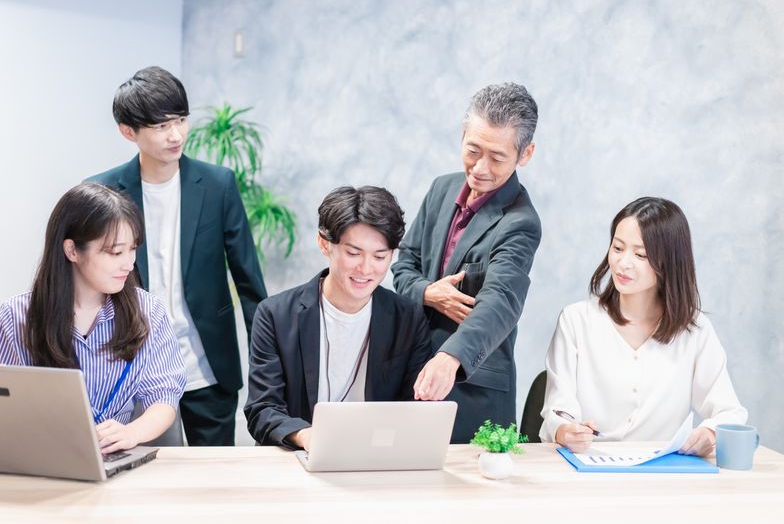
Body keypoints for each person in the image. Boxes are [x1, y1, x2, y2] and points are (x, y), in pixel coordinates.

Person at [87, 66, 267, 446]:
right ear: (128, 131)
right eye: (161, 126)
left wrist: (266, 363)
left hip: (207, 366)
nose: (176, 135)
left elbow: (248, 280)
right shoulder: (103, 192)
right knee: (143, 471)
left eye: (181, 120)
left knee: (213, 475)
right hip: (134, 368)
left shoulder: (218, 185)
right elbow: (88, 283)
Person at [392, 83, 541, 443]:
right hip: (411, 371)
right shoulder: (441, 189)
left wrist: (451, 357)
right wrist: (428, 292)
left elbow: (500, 301)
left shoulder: (521, 222)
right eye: (473, 150)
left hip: (473, 390)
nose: (480, 167)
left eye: (497, 158)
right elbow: (404, 265)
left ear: (526, 154)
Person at [539, 197, 748, 456]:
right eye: (618, 248)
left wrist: (709, 433)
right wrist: (565, 431)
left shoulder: (694, 330)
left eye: (640, 255)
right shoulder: (576, 320)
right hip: (589, 468)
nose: (623, 263)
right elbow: (557, 411)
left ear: (670, 262)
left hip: (664, 472)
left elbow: (730, 411)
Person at [0, 183, 185, 454]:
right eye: (115, 252)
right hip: (44, 458)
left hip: (117, 456)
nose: (129, 263)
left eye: (133, 249)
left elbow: (164, 396)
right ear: (72, 251)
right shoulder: (18, 316)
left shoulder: (149, 311)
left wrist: (131, 433)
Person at [245, 186, 433, 449]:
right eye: (353, 253)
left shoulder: (408, 318)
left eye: (380, 256)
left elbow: (416, 408)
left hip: (377, 456)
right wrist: (307, 437)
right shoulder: (275, 315)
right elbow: (262, 408)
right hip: (296, 456)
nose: (366, 269)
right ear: (324, 244)